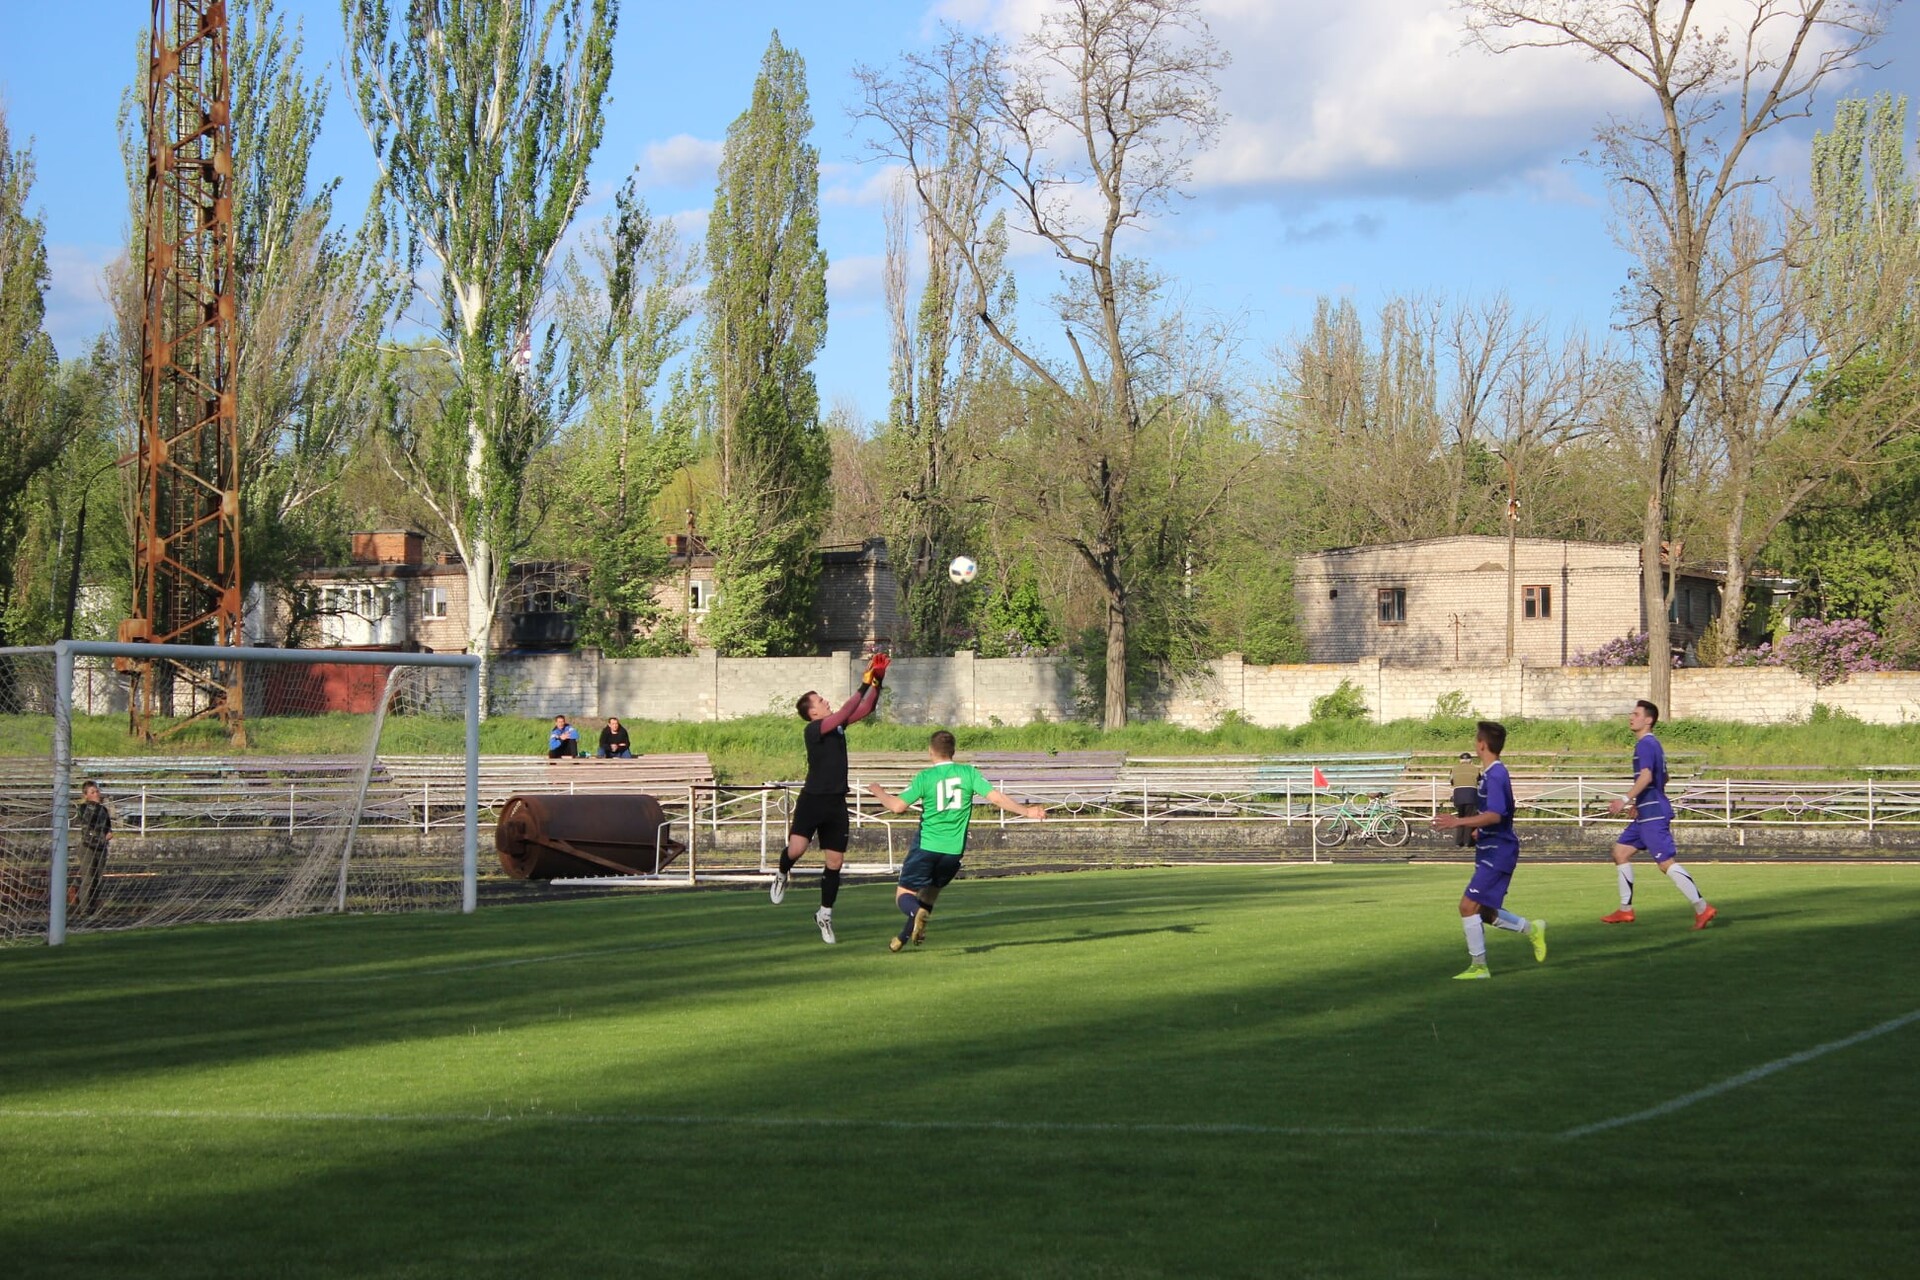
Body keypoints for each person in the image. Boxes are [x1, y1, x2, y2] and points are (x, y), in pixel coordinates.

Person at [867, 730, 1047, 952]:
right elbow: (996, 798)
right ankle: (902, 938)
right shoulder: (968, 773)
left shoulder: (925, 777)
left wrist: (879, 792)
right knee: (929, 895)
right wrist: (1027, 812)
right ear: (953, 751)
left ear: (930, 751)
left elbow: (897, 807)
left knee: (904, 895)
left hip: (927, 846)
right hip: (953, 851)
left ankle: (915, 914)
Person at [771, 653, 889, 943]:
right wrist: (861, 685)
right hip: (813, 800)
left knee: (835, 862)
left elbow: (865, 709)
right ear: (812, 712)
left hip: (836, 802)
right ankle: (782, 873)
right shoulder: (814, 729)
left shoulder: (837, 725)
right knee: (796, 850)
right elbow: (848, 708)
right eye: (820, 700)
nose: (825, 701)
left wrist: (877, 681)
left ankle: (824, 914)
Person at [1431, 721, 1546, 980]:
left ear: (1481, 744)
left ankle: (1479, 967)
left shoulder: (1495, 774)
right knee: (1483, 912)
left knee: (1466, 906)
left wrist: (1458, 821)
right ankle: (1532, 929)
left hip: (1498, 852)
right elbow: (1497, 814)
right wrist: (1478, 829)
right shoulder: (1491, 774)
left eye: (1476, 739)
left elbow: (1495, 815)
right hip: (1491, 848)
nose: (1475, 742)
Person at [1601, 699, 1717, 929]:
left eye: (1635, 714)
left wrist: (1624, 800)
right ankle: (1625, 910)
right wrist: (1639, 802)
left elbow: (1647, 777)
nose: (1630, 717)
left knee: (1665, 863)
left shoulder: (1645, 744)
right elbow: (1664, 778)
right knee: (1620, 852)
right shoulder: (1654, 745)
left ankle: (1703, 908)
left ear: (1648, 719)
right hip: (1646, 811)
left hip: (1653, 814)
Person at [75, 780, 113, 919]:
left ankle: (92, 908)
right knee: (88, 879)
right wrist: (103, 837)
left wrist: (107, 834)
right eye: (92, 792)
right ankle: (84, 910)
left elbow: (107, 827)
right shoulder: (84, 809)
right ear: (86, 795)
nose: (96, 794)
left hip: (100, 847)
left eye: (97, 791)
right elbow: (88, 831)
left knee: (97, 879)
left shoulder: (103, 809)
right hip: (88, 848)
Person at [1448, 751, 1481, 848]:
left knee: (1460, 818)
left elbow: (1452, 782)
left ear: (1460, 760)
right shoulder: (1475, 769)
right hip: (1471, 795)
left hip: (1458, 795)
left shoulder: (1454, 769)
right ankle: (1467, 842)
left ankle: (1459, 842)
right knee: (1469, 818)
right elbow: (1479, 780)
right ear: (1470, 760)